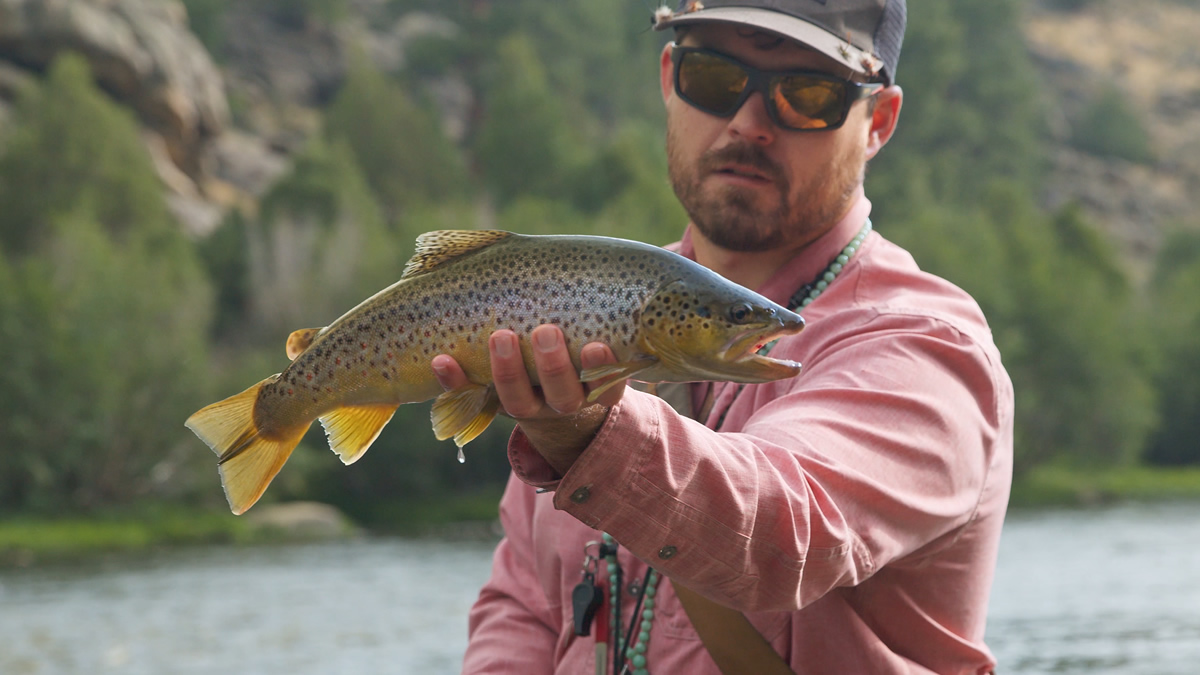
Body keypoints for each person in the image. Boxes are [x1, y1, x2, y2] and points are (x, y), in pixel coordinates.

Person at [434, 1, 1013, 673]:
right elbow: (526, 603)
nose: (748, 122)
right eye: (713, 78)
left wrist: (595, 434)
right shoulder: (584, 305)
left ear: (877, 121)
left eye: (807, 93)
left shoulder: (924, 347)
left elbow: (783, 535)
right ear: (668, 78)